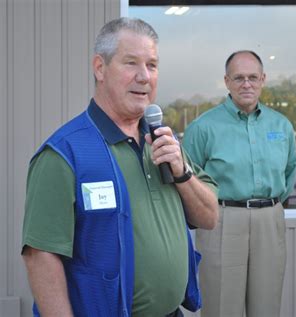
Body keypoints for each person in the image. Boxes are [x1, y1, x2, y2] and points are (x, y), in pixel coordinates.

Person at [21, 18, 219, 317]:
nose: (144, 77)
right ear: (100, 68)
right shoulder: (64, 153)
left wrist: (182, 172)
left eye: (152, 65)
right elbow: (41, 257)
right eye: (131, 63)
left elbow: (209, 217)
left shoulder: (165, 141)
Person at [182, 50, 296, 317]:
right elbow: (188, 182)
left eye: (253, 77)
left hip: (269, 220)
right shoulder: (203, 128)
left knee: (267, 306)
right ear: (227, 81)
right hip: (221, 219)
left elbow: (289, 172)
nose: (247, 84)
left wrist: (270, 206)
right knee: (223, 307)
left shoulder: (281, 125)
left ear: (263, 80)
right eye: (239, 78)